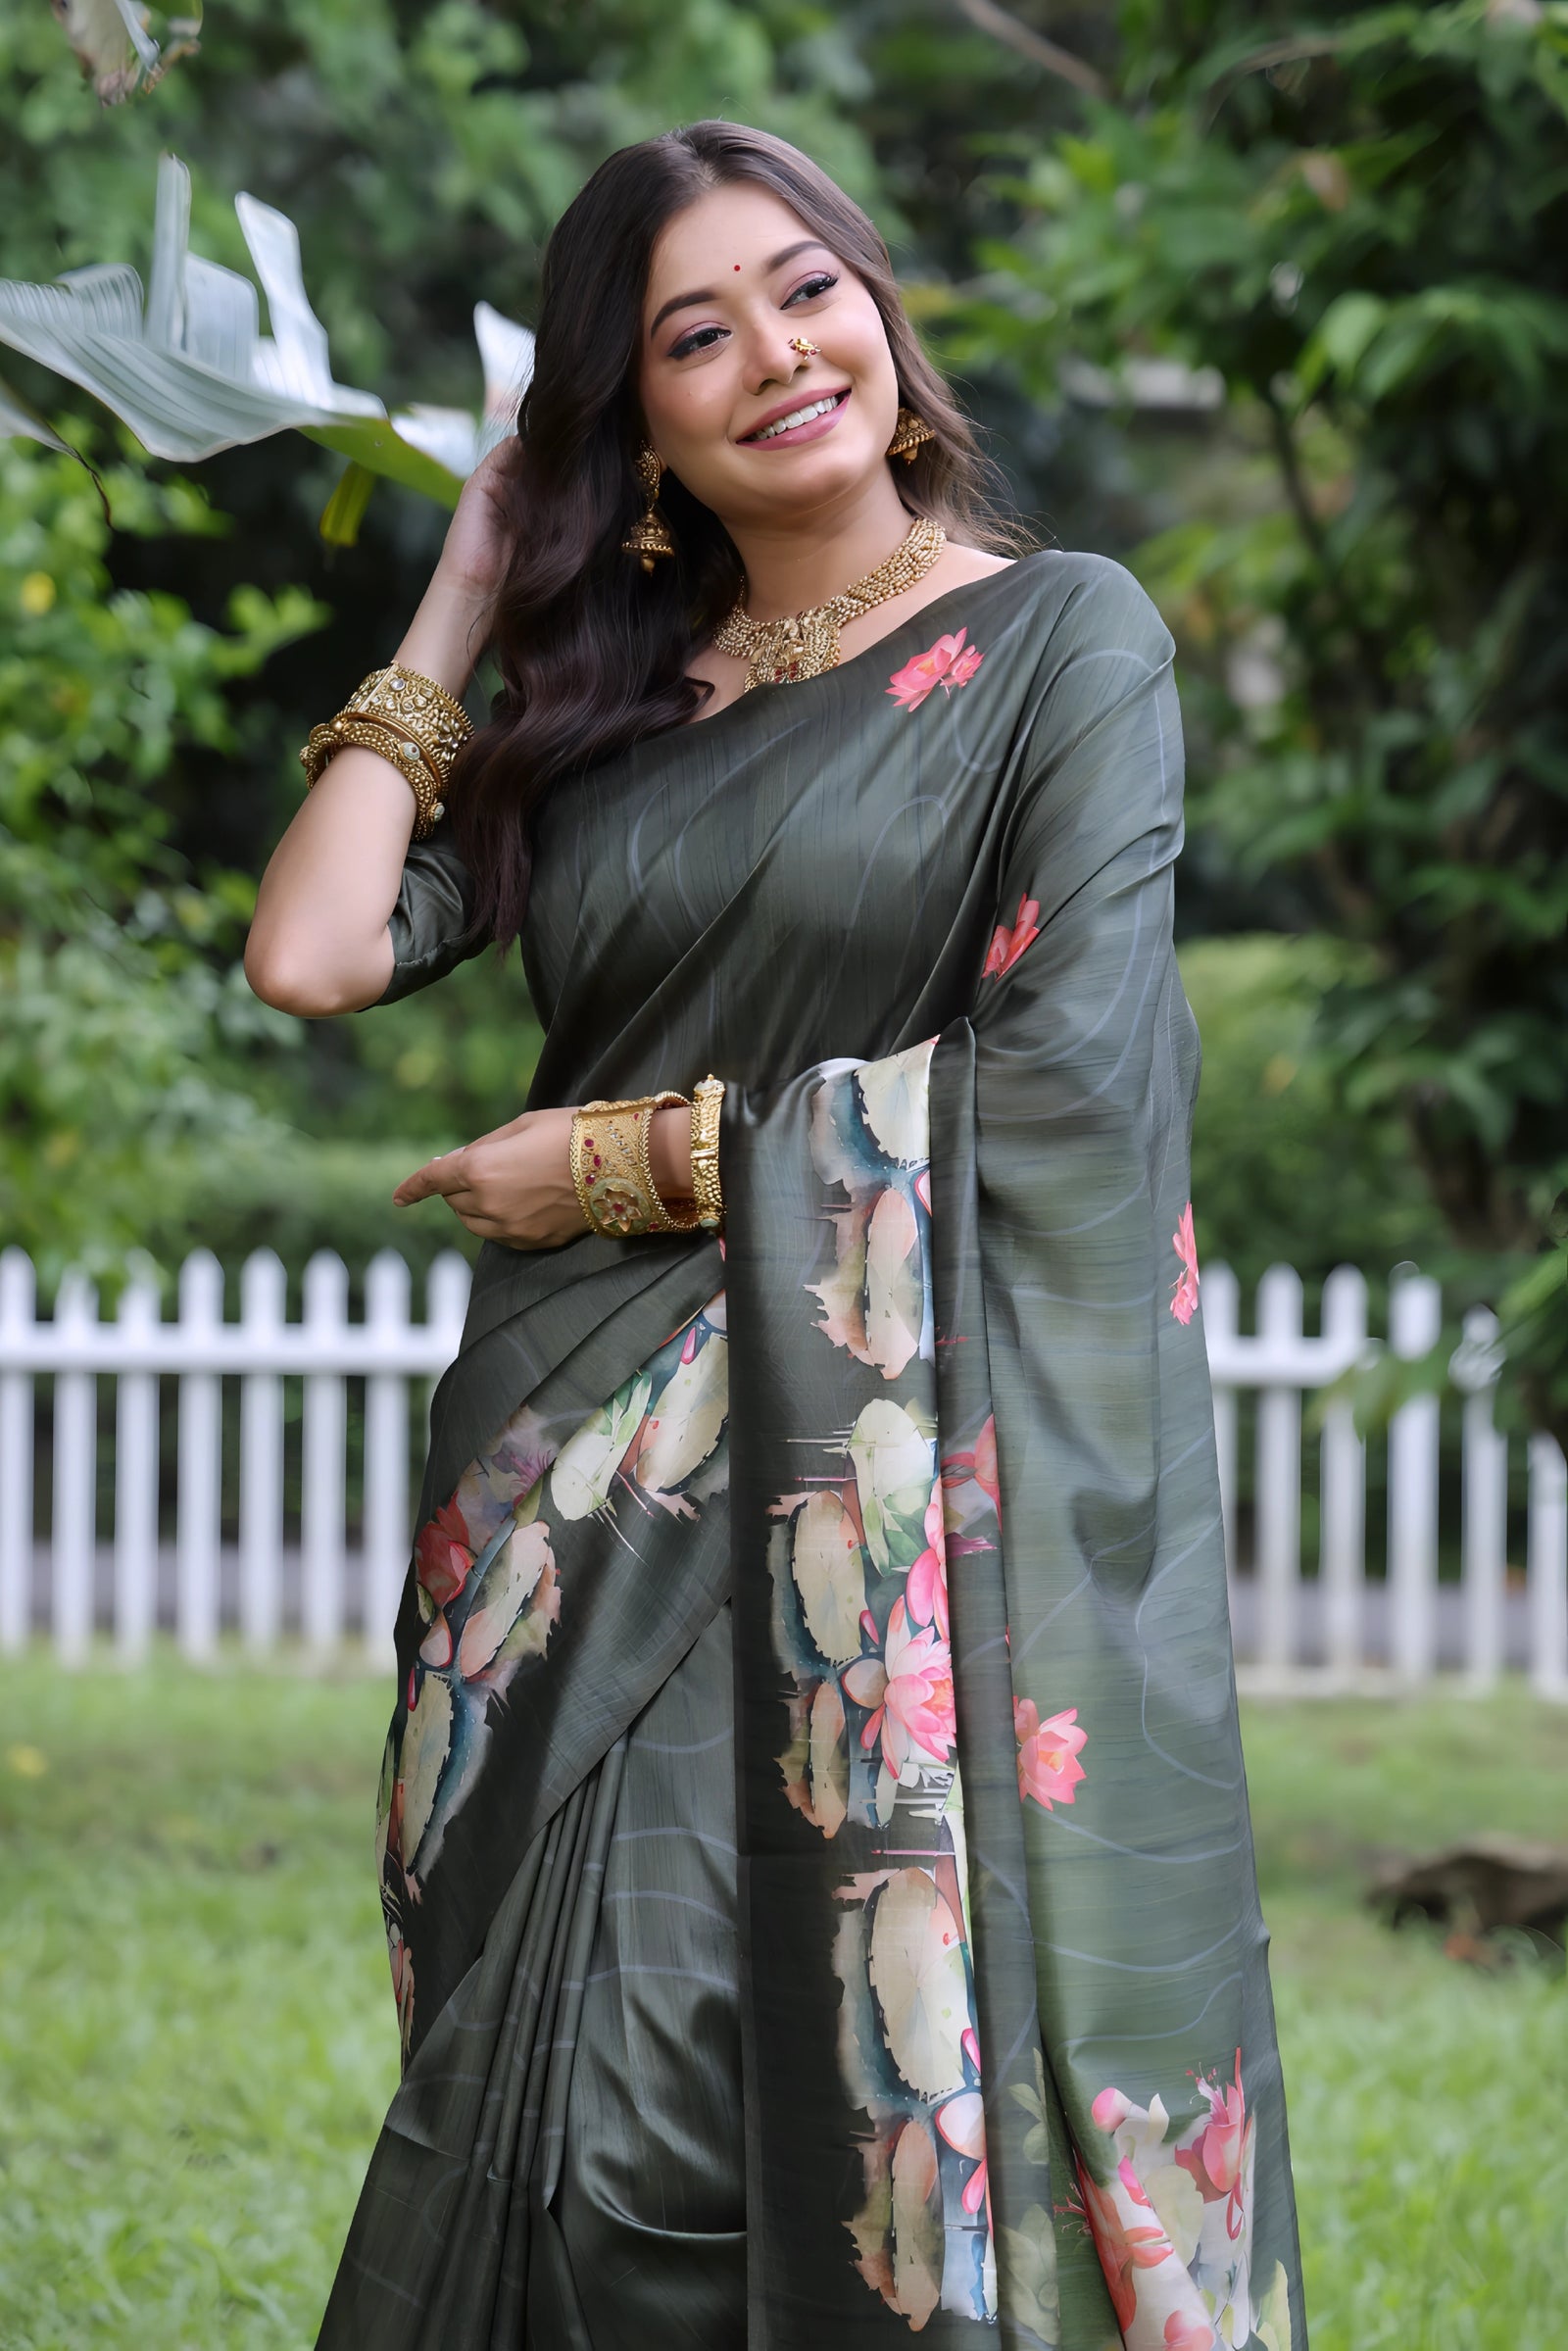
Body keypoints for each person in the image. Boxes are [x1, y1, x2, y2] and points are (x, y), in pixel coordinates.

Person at [246, 119, 1303, 2351]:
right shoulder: (609, 721)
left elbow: (1070, 1088)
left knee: (687, 2116)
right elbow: (320, 949)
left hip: (865, 1501)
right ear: (626, 427)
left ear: (883, 313)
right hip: (564, 1499)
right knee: (532, 2107)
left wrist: (615, 1162)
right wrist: (467, 582)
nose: (774, 356)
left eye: (804, 288)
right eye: (689, 337)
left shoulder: (1055, 645)